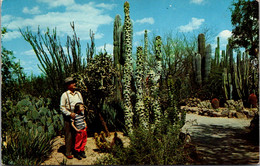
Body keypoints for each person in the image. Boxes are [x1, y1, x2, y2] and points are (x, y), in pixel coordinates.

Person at [60, 77, 84, 159]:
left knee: (78, 134)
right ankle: (68, 152)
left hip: (79, 116)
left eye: (74, 82)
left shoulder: (78, 94)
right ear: (68, 85)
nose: (74, 84)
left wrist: (82, 116)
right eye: (72, 83)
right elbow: (62, 107)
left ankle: (78, 150)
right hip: (69, 116)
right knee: (69, 134)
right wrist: (70, 114)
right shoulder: (65, 95)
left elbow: (82, 104)